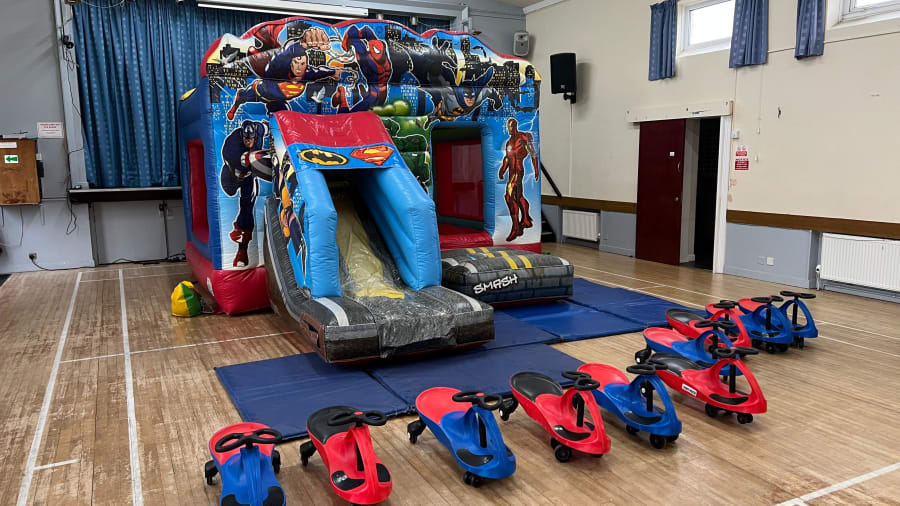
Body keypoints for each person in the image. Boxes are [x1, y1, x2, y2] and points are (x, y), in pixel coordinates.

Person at [227, 30, 349, 119]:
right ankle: (235, 105)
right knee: (242, 97)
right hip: (259, 91)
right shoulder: (279, 70)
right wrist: (301, 44)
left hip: (278, 101)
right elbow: (282, 56)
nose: (299, 67)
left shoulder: (307, 73)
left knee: (285, 118)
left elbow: (320, 72)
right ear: (291, 63)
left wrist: (334, 72)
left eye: (302, 64)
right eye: (296, 63)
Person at [220, 120, 269, 267]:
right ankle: (239, 226)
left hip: (249, 178)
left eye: (252, 138)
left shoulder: (258, 130)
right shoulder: (232, 145)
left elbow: (266, 127)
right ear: (242, 135)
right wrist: (247, 159)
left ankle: (242, 251)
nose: (249, 142)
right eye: (246, 139)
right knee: (229, 192)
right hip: (232, 176)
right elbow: (233, 157)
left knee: (247, 208)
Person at [498, 118, 539, 242]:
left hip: (518, 172)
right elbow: (507, 158)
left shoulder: (523, 137)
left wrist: (536, 169)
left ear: (514, 126)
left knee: (509, 197)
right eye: (508, 126)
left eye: (510, 126)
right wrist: (502, 170)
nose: (508, 129)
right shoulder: (509, 143)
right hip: (512, 172)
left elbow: (533, 153)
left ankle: (516, 228)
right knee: (518, 196)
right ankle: (526, 219)